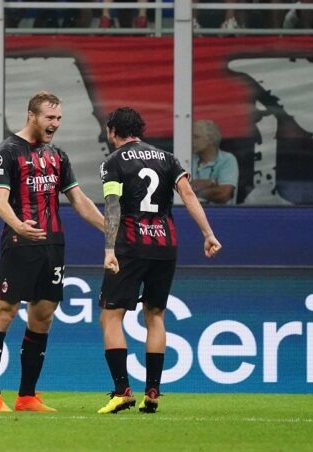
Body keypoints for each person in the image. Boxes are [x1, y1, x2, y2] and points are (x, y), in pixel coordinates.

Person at [0, 91, 104, 412]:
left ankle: (26, 396)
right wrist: (18, 225)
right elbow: (0, 200)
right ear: (31, 116)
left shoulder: (57, 155)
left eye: (59, 118)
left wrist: (110, 229)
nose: (55, 124)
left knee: (43, 317)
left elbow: (78, 199)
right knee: (3, 314)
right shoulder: (6, 152)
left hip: (53, 246)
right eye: (50, 118)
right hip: (20, 245)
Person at [96, 107, 222, 414]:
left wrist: (109, 249)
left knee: (110, 317)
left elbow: (112, 206)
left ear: (113, 131)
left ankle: (122, 391)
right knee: (154, 316)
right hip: (165, 245)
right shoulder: (168, 159)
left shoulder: (112, 163)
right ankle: (152, 392)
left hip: (130, 245)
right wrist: (208, 233)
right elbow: (189, 195)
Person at [191, 119, 239, 205]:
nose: (191, 141)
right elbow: (177, 191)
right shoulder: (188, 160)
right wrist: (211, 183)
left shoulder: (227, 159)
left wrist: (194, 191)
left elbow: (223, 194)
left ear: (211, 140)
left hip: (220, 215)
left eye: (196, 137)